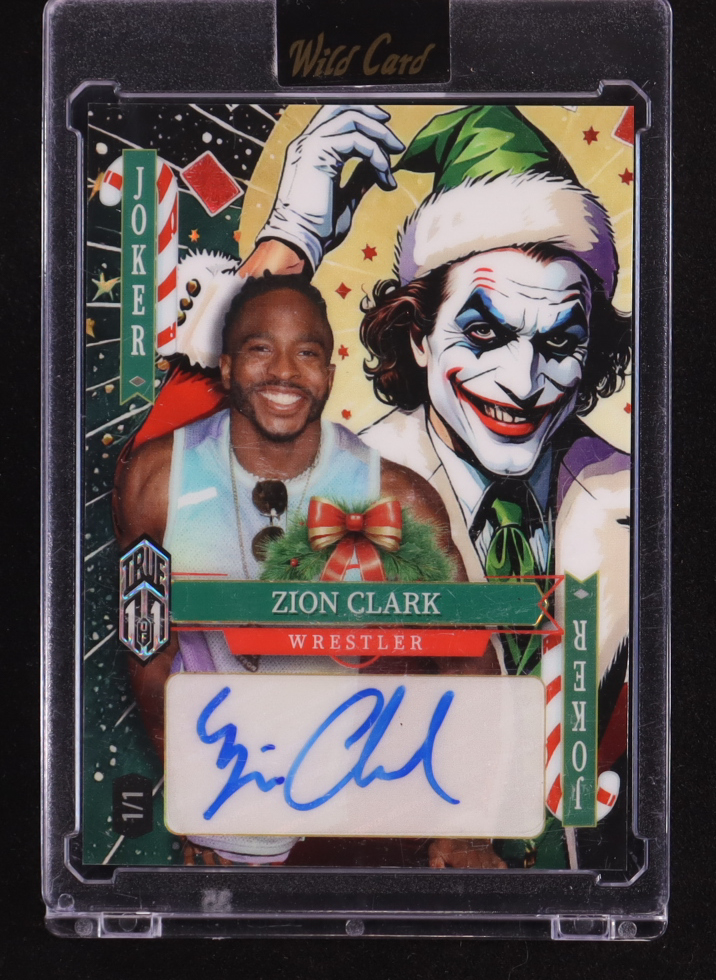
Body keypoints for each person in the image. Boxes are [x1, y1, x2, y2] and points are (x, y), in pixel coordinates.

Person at [230, 104, 632, 869]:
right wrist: (291, 241)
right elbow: (177, 468)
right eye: (484, 332)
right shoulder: (334, 491)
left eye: (559, 343)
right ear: (417, 333)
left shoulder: (643, 505)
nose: (522, 382)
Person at [115, 271, 502, 868]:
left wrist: (467, 827)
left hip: (365, 803)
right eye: (260, 349)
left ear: (329, 373)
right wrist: (195, 796)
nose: (284, 372)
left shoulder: (397, 498)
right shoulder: (156, 481)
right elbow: (149, 653)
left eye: (307, 353)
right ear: (226, 368)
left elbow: (469, 660)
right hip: (232, 803)